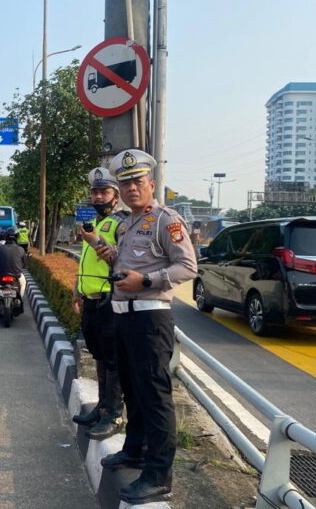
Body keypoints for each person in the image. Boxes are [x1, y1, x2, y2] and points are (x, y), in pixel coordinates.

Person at [97, 149, 197, 505]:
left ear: (151, 184)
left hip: (150, 318)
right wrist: (105, 251)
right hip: (124, 317)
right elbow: (126, 262)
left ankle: (158, 475)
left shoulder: (165, 220)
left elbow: (187, 267)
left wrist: (146, 280)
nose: (131, 189)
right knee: (133, 390)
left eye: (137, 182)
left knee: (155, 397)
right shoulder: (127, 223)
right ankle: (135, 450)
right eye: (125, 183)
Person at [71, 167, 125, 440]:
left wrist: (96, 242)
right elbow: (85, 264)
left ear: (116, 196)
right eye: (94, 192)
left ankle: (114, 414)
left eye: (104, 192)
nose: (98, 197)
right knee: (101, 358)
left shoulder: (121, 224)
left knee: (113, 360)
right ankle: (103, 408)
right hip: (91, 301)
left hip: (110, 301)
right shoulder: (94, 223)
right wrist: (76, 291)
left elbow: (122, 262)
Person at [0, 227, 27, 296]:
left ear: (6, 237)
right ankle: (21, 298)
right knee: (23, 283)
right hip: (17, 274)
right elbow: (24, 264)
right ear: (17, 237)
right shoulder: (21, 249)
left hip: (1, 274)